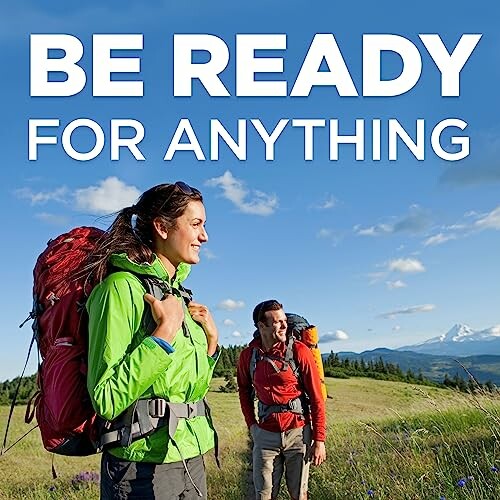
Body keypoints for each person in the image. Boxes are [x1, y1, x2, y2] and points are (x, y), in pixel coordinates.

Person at [85, 182, 219, 499]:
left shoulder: (179, 296)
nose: (204, 237)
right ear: (161, 226)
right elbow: (105, 398)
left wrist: (211, 344)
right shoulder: (119, 289)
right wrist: (163, 335)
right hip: (141, 467)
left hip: (190, 455)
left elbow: (186, 389)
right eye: (196, 224)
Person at [237, 300, 327, 500]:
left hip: (298, 433)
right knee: (264, 495)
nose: (284, 325)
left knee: (299, 495)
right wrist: (252, 426)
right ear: (262, 326)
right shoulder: (248, 356)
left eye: (285, 320)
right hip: (265, 436)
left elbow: (316, 397)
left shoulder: (299, 351)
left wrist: (319, 439)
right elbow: (244, 391)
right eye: (277, 322)